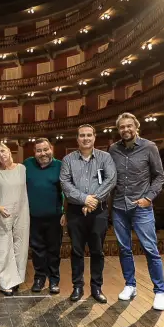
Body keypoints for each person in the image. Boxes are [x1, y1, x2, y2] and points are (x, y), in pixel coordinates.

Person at [109, 112, 164, 311]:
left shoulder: (149, 147)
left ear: (136, 127)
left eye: (129, 126)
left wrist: (148, 197)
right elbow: (109, 177)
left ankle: (160, 292)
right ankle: (130, 285)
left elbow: (159, 176)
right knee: (124, 248)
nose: (125, 129)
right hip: (119, 206)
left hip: (141, 207)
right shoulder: (113, 149)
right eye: (122, 127)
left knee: (150, 249)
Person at [60, 124, 116, 303]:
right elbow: (65, 184)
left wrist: (93, 201)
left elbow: (110, 180)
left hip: (98, 212)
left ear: (94, 137)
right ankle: (77, 286)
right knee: (76, 251)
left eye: (89, 135)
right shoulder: (68, 160)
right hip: (75, 212)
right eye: (82, 135)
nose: (86, 138)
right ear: (77, 139)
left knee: (97, 251)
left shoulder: (105, 157)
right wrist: (84, 199)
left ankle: (96, 287)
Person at [23, 138, 65, 294]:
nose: (43, 153)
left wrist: (65, 212)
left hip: (55, 217)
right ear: (34, 152)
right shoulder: (27, 164)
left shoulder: (60, 166)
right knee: (37, 250)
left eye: (46, 149)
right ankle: (39, 278)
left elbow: (67, 191)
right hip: (33, 217)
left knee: (54, 250)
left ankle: (54, 280)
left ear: (51, 149)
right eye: (39, 151)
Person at [0, 142, 29, 296]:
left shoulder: (22, 169)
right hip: (2, 213)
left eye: (3, 151)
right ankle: (5, 282)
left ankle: (16, 279)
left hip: (21, 211)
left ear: (9, 151)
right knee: (2, 249)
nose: (1, 155)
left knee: (20, 245)